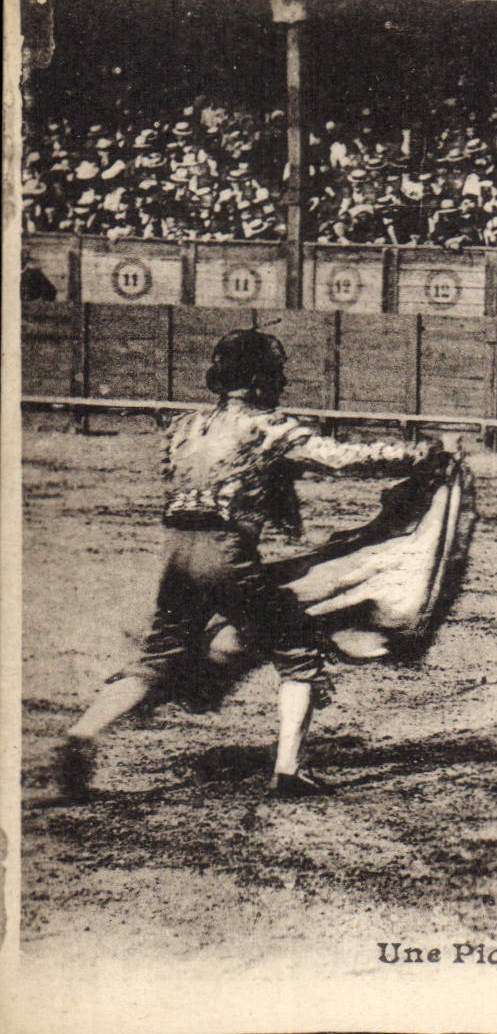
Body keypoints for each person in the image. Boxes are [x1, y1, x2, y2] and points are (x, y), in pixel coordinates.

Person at [50, 329, 445, 802]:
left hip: (176, 551)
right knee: (296, 648)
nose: (281, 383)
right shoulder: (271, 427)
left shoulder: (184, 426)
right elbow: (339, 461)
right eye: (275, 375)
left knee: (159, 655)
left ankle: (82, 735)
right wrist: (414, 455)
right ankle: (288, 771)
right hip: (229, 553)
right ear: (258, 380)